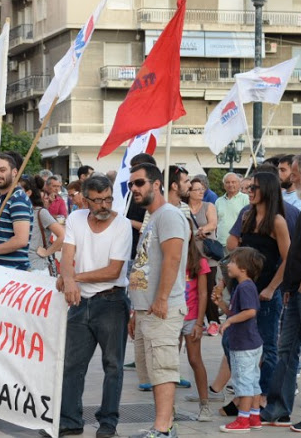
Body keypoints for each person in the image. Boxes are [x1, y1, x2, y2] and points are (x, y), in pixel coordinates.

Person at [50, 176, 132, 438]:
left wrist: (74, 278)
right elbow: (67, 254)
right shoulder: (75, 218)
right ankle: (69, 420)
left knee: (113, 365)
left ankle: (108, 423)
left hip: (111, 301)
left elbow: (114, 270)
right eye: (97, 200)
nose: (104, 205)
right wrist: (70, 277)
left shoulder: (122, 224)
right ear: (85, 200)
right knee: (72, 364)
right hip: (80, 302)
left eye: (108, 198)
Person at [127, 163, 189, 438]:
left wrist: (162, 298)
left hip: (162, 307)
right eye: (131, 185)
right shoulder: (153, 217)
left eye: (139, 183)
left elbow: (173, 258)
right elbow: (145, 266)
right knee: (153, 371)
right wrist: (135, 310)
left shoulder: (169, 215)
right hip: (145, 308)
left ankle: (162, 429)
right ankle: (166, 425)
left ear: (155, 185)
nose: (134, 189)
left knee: (163, 368)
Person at [227, 172, 290, 404]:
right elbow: (236, 250)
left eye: (254, 188)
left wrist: (273, 288)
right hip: (242, 290)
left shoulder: (277, 221)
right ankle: (248, 392)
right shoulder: (246, 216)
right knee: (232, 341)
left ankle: (263, 396)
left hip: (265, 293)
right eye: (249, 188)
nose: (249, 191)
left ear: (267, 190)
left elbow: (288, 258)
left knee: (267, 345)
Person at [259, 151, 301, 430]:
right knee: (286, 349)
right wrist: (290, 285)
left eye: (296, 172)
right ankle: (278, 408)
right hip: (295, 290)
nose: (293, 178)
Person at [212, 247, 265, 433]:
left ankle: (242, 420)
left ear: (243, 268)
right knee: (252, 382)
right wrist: (221, 304)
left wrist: (229, 322)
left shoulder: (245, 287)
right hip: (249, 343)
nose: (229, 265)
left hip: (244, 345)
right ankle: (254, 416)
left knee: (243, 382)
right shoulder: (243, 287)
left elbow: (250, 312)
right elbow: (234, 312)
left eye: (233, 262)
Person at [181, 219, 212, 422]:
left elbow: (203, 294)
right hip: (170, 316)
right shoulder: (168, 256)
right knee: (168, 364)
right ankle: (168, 407)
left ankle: (205, 404)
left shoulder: (198, 261)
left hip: (191, 316)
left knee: (194, 359)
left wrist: (200, 323)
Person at [188, 177, 220, 336]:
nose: (201, 192)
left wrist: (199, 231)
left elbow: (212, 224)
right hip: (190, 256)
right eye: (197, 189)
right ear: (189, 192)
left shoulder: (209, 206)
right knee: (193, 289)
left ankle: (214, 321)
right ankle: (194, 318)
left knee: (209, 288)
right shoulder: (183, 208)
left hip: (208, 255)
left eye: (202, 189)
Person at [19, 175, 65, 274]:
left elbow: (62, 235)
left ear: (28, 193)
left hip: (36, 268)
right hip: (19, 268)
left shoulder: (40, 212)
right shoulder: (16, 213)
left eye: (19, 190)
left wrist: (46, 252)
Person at [216, 172, 250, 254]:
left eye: (233, 182)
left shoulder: (246, 199)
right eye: (227, 182)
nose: (230, 185)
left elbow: (249, 220)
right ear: (224, 185)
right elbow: (216, 221)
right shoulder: (218, 201)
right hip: (220, 244)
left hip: (238, 244)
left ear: (239, 184)